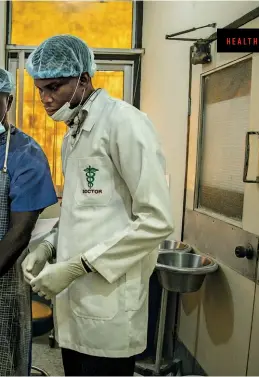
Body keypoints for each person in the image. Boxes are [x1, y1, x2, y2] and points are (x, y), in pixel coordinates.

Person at [22, 34, 174, 376]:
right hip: (75, 308)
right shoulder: (73, 134)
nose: (45, 99)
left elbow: (157, 220)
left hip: (110, 307)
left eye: (54, 87)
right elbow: (81, 213)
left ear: (83, 79)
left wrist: (77, 266)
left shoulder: (125, 123)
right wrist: (48, 247)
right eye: (40, 89)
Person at [0, 68, 58, 375]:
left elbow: (19, 233)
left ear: (7, 101)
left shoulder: (25, 154)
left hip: (4, 281)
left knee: (4, 361)